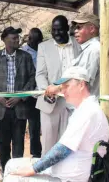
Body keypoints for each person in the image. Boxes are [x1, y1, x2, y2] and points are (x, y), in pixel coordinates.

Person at [3, 66, 109, 182]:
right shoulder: (86, 109)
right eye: (62, 87)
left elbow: (62, 149)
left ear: (81, 85)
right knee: (10, 164)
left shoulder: (88, 112)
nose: (62, 91)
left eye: (66, 86)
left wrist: (33, 169)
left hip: (70, 177)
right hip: (64, 170)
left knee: (13, 177)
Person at [0, 26, 36, 175]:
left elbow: (32, 79)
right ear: (4, 40)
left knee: (18, 144)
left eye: (17, 38)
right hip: (0, 109)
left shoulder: (25, 57)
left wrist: (19, 97)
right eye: (13, 38)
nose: (17, 40)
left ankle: (16, 174)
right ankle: (5, 172)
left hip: (20, 108)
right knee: (2, 143)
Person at [36, 15, 81, 155]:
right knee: (49, 148)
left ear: (67, 29)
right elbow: (40, 74)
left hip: (73, 105)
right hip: (50, 104)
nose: (56, 33)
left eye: (60, 30)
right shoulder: (44, 47)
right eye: (54, 30)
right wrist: (46, 91)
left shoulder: (79, 45)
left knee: (70, 147)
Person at [45, 13, 100, 98]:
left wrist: (57, 88)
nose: (75, 31)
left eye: (79, 27)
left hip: (88, 104)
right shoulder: (89, 49)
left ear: (91, 29)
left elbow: (82, 82)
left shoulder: (93, 50)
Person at [21, 28, 44, 158]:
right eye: (35, 41)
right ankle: (35, 153)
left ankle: (42, 151)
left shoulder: (43, 49)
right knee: (32, 125)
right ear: (29, 39)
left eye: (39, 41)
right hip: (28, 95)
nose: (37, 44)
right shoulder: (23, 52)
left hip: (42, 92)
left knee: (43, 124)